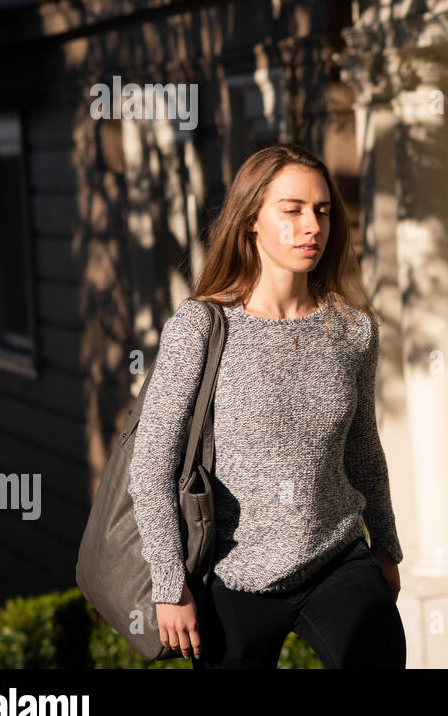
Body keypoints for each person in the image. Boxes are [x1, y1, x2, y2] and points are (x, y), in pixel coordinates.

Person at [127, 143, 406, 669]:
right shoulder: (202, 327)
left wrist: (386, 547)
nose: (312, 226)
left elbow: (364, 449)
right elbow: (151, 465)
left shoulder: (353, 331)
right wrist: (170, 585)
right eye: (293, 209)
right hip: (233, 574)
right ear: (251, 219)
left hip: (337, 558)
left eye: (322, 211)